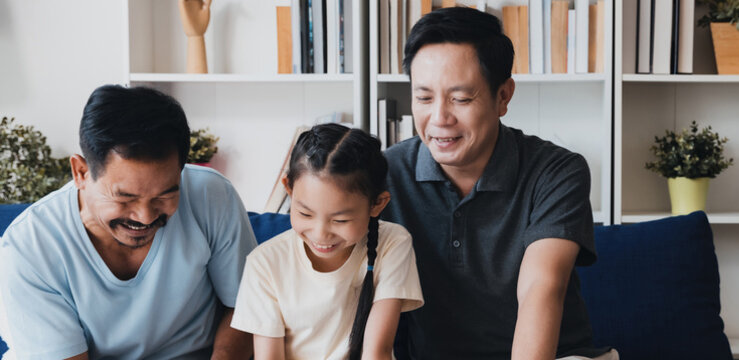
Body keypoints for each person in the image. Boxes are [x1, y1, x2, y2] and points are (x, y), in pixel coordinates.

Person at [382, 7, 616, 360]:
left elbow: (542, 287)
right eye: (424, 98)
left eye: (460, 98)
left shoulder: (557, 171)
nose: (440, 118)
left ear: (503, 96)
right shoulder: (384, 173)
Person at [0, 85, 255, 359]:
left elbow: (249, 307)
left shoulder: (211, 196)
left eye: (165, 195)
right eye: (125, 198)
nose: (145, 217)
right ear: (81, 172)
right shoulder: (29, 248)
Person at [231, 123, 423, 360]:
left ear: (377, 204)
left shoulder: (393, 243)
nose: (321, 234)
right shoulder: (264, 263)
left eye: (340, 220)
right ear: (289, 190)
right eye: (305, 214)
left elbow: (377, 352)